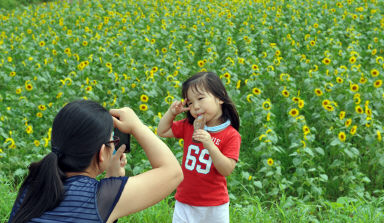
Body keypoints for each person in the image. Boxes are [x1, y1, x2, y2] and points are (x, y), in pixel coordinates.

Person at [9, 99, 183, 223]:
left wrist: (110, 182)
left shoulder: (33, 184)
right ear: (101, 152)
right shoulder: (97, 198)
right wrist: (137, 126)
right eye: (112, 141)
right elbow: (173, 172)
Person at [157, 71, 241, 223]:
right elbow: (162, 131)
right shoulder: (189, 126)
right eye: (190, 103)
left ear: (220, 97)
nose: (195, 106)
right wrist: (171, 113)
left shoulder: (231, 135)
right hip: (185, 200)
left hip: (214, 206)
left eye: (201, 98)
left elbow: (227, 169)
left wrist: (210, 144)